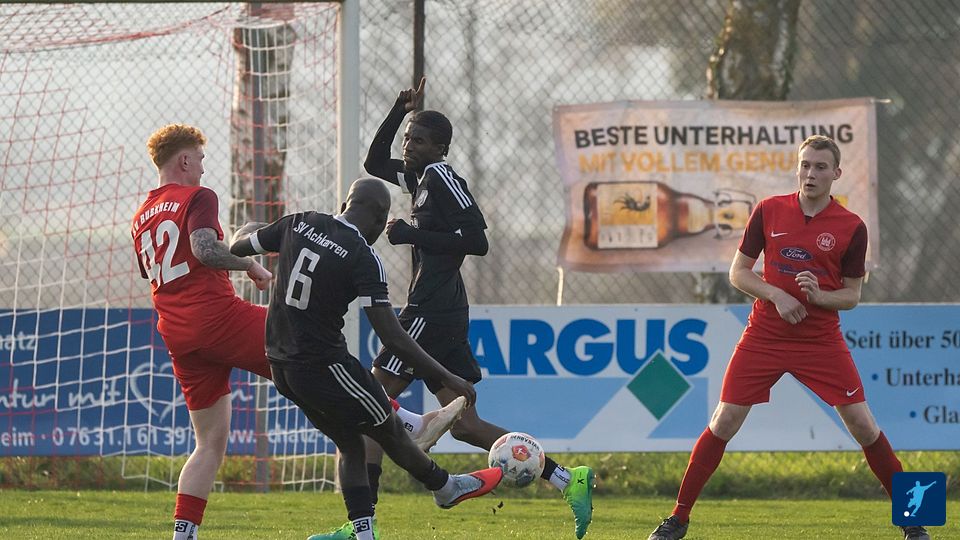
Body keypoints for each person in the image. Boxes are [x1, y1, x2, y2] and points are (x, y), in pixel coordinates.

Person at [132, 124, 462, 540]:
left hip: (177, 334)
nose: (202, 168)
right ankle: (412, 426)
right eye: (199, 159)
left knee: (209, 443)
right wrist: (248, 264)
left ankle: (183, 535)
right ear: (183, 160)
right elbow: (203, 249)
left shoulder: (141, 215)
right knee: (314, 348)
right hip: (216, 318)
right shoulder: (198, 196)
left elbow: (158, 271)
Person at [646, 135, 929, 540]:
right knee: (724, 420)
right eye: (805, 165)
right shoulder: (769, 210)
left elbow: (851, 296)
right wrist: (777, 295)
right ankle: (677, 518)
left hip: (820, 340)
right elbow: (738, 273)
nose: (810, 173)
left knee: (864, 426)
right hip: (765, 334)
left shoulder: (852, 227)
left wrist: (819, 297)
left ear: (836, 174)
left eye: (820, 167)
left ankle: (914, 520)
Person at [358, 77, 594, 540]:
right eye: (407, 138)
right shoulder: (420, 179)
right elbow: (373, 163)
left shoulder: (443, 178)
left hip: (430, 308)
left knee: (370, 398)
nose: (408, 146)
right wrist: (398, 112)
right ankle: (568, 479)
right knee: (465, 426)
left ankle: (361, 525)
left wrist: (410, 234)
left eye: (418, 140)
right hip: (442, 309)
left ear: (440, 148)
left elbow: (477, 240)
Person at [229, 178, 503, 540]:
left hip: (280, 366)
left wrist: (251, 229)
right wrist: (448, 378)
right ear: (379, 219)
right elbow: (393, 337)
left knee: (352, 443)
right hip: (326, 366)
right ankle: (445, 487)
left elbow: (239, 245)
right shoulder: (362, 256)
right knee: (389, 431)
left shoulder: (299, 222)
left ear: (346, 204)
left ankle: (364, 533)